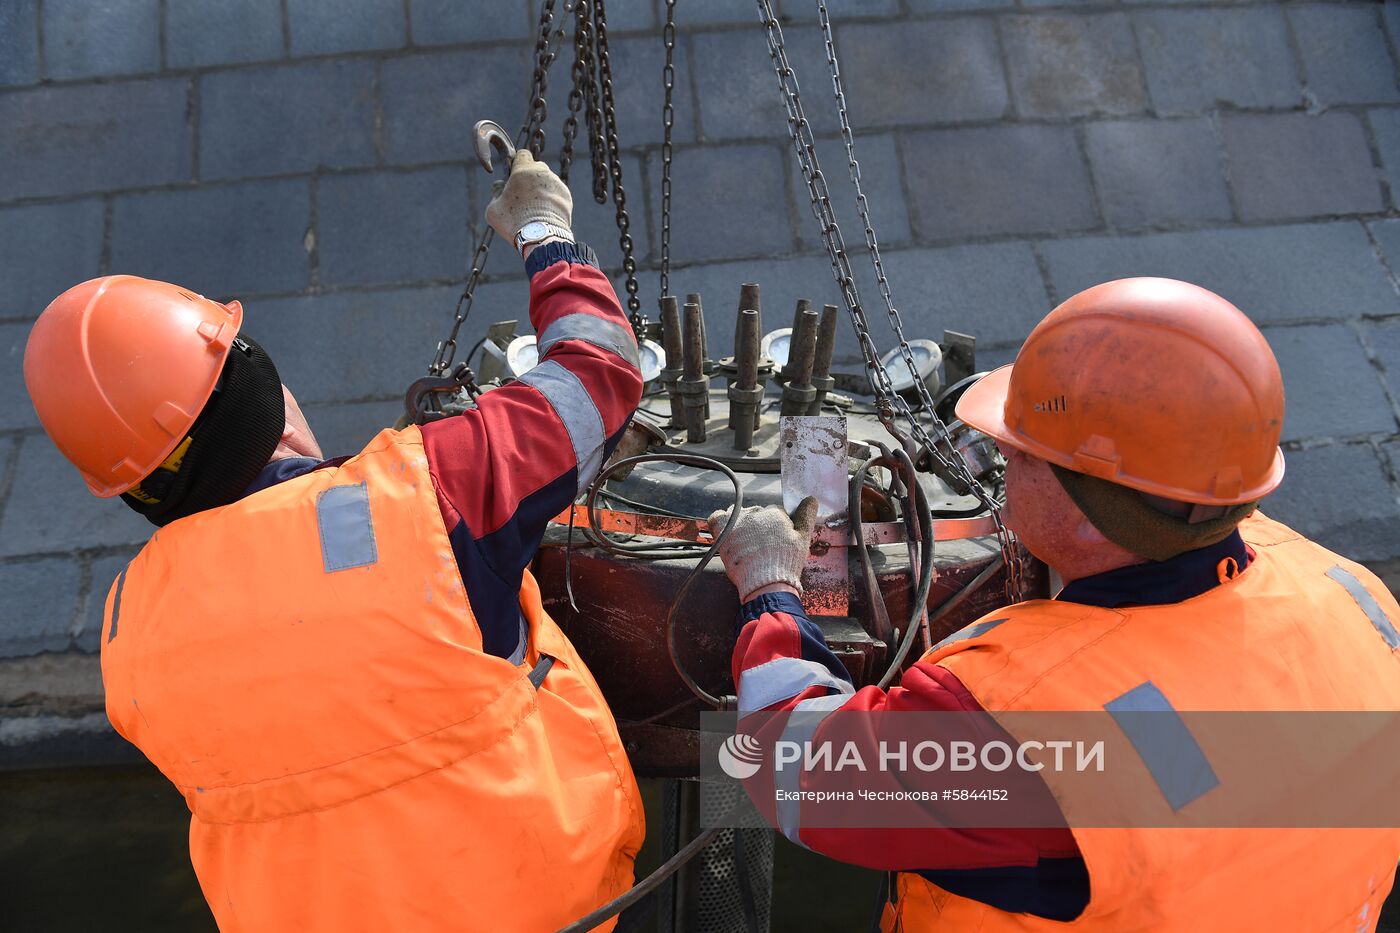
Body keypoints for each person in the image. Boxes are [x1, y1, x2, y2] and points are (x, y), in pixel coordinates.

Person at [23, 152, 644, 932]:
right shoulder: (430, 493)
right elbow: (600, 372)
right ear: (253, 389)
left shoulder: (128, 636)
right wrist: (547, 232)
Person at [711, 278, 1400, 931]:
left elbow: (786, 766)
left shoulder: (1032, 730)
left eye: (1020, 453)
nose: (1003, 459)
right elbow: (1187, 757)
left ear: (1089, 511)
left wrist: (771, 588)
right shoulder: (1352, 594)